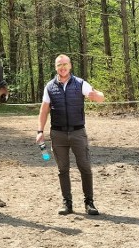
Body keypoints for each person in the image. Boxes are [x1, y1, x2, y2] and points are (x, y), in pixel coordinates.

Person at [36, 54, 105, 215]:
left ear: (70, 66)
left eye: (65, 64)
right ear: (56, 67)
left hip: (78, 133)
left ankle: (89, 203)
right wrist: (40, 131)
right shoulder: (49, 87)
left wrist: (97, 96)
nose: (62, 67)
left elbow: (99, 97)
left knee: (85, 167)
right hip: (58, 134)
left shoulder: (80, 83)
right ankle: (67, 203)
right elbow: (44, 110)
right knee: (62, 170)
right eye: (59, 65)